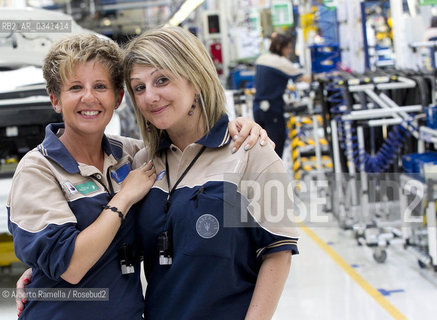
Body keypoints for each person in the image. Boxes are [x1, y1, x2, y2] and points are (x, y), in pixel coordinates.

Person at [10, 33, 268, 319]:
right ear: (55, 99)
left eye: (100, 86)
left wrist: (240, 125)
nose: (89, 97)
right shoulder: (38, 169)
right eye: (74, 88)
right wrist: (123, 199)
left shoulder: (135, 156)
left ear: (118, 97)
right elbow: (70, 265)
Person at [124, 26, 300, 319]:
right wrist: (38, 277)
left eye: (162, 80)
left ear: (195, 80)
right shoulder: (143, 163)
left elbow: (278, 254)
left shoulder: (251, 152)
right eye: (139, 87)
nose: (150, 97)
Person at [253, 33, 310, 158]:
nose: (289, 51)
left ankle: (264, 176)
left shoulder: (262, 59)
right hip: (272, 110)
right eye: (288, 48)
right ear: (279, 47)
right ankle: (274, 177)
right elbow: (304, 78)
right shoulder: (281, 62)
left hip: (258, 108)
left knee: (262, 147)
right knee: (275, 147)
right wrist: (320, 76)